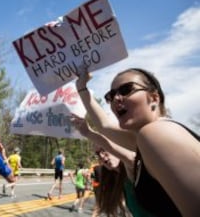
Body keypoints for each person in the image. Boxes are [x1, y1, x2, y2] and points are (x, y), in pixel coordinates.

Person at [74, 68, 200, 216]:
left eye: (126, 89)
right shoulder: (147, 138)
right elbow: (104, 126)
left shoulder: (156, 132)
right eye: (111, 95)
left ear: (154, 98)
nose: (116, 98)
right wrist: (82, 88)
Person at [71, 116, 154, 217]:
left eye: (103, 149)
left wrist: (89, 133)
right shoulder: (115, 178)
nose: (102, 155)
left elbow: (131, 157)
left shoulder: (134, 166)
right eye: (98, 153)